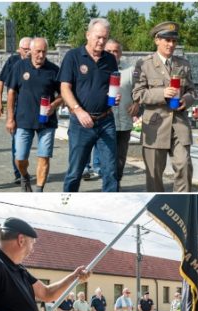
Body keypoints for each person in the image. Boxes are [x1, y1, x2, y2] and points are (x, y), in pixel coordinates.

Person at [59, 18, 121, 192]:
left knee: (110, 171)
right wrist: (78, 111)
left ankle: (111, 205)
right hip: (80, 123)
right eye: (98, 37)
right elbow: (64, 88)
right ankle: (68, 201)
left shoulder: (110, 59)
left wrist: (115, 98)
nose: (101, 41)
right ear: (88, 35)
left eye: (105, 38)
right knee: (75, 172)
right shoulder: (73, 56)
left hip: (106, 120)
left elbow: (112, 86)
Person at [133, 22, 196, 192]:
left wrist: (186, 100)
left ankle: (181, 202)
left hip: (179, 125)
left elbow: (192, 90)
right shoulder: (144, 64)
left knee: (184, 167)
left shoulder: (183, 64)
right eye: (167, 40)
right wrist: (162, 93)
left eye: (174, 41)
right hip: (155, 126)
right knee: (154, 175)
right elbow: (137, 94)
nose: (171, 44)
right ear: (157, 40)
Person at [5, 37, 62, 192]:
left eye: (44, 51)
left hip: (47, 122)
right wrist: (10, 119)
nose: (41, 55)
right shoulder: (19, 66)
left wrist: (54, 105)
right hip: (23, 120)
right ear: (30, 51)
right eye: (38, 51)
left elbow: (63, 94)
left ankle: (39, 191)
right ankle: (24, 176)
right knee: (20, 158)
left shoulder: (54, 70)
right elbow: (11, 93)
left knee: (43, 157)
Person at [0, 37, 31, 186]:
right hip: (15, 107)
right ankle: (19, 173)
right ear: (19, 49)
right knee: (16, 141)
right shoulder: (12, 61)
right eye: (25, 49)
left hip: (32, 108)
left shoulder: (37, 62)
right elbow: (1, 80)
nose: (28, 52)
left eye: (30, 48)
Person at [105, 40, 139, 186]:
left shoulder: (130, 71)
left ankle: (116, 182)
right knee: (107, 157)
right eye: (109, 51)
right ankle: (109, 184)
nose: (113, 54)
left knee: (120, 157)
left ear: (121, 53)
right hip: (105, 121)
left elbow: (138, 90)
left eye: (116, 51)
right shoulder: (99, 69)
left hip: (124, 121)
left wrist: (137, 104)